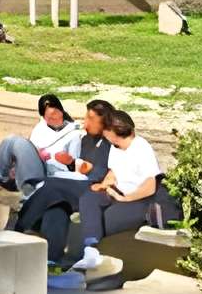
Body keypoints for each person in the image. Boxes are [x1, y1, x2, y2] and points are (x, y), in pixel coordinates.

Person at [69, 105, 165, 278]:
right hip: (116, 192)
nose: (104, 134)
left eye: (107, 131)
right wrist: (105, 184)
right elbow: (114, 171)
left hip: (138, 199)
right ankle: (90, 252)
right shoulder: (115, 147)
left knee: (109, 218)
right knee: (89, 198)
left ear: (115, 132)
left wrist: (126, 198)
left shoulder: (141, 148)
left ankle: (99, 262)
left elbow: (150, 185)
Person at [26, 100, 118, 268]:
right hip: (75, 186)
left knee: (50, 186)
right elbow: (75, 166)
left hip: (93, 191)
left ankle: (24, 223)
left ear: (104, 121)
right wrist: (68, 162)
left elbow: (100, 174)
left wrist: (75, 163)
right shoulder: (85, 139)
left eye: (90, 118)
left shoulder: (110, 142)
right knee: (56, 207)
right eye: (85, 116)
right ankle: (52, 260)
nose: (85, 122)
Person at [0, 93, 87, 214]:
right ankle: (2, 179)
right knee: (11, 140)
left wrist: (60, 160)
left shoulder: (73, 134)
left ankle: (30, 193)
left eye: (56, 114)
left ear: (61, 110)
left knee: (20, 143)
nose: (54, 119)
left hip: (49, 173)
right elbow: (30, 148)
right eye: (49, 117)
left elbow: (73, 166)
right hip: (29, 169)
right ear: (43, 117)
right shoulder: (40, 128)